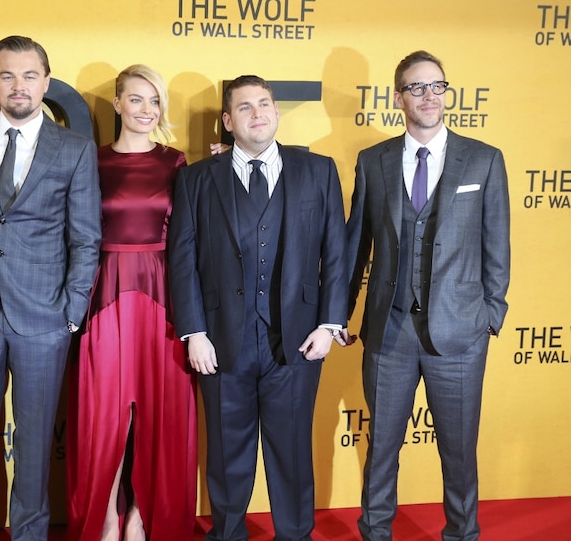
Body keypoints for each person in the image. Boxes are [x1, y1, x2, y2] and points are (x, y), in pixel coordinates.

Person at [168, 74, 348, 541]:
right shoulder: (195, 179)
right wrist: (194, 332)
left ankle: (296, 534)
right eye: (244, 107)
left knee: (291, 452)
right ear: (228, 121)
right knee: (228, 456)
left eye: (264, 104)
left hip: (298, 341)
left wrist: (329, 325)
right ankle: (227, 534)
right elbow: (182, 260)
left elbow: (337, 252)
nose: (257, 113)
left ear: (276, 112)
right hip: (220, 343)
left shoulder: (318, 171)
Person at [342, 50, 510, 541]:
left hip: (460, 336)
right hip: (388, 336)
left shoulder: (484, 159)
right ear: (399, 97)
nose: (429, 96)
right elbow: (356, 248)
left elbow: (496, 246)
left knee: (459, 452)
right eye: (417, 88)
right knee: (381, 451)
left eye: (438, 86)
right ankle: (375, 532)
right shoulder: (372, 161)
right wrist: (340, 315)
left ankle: (461, 534)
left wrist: (490, 317)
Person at [0, 35, 101, 541]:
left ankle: (31, 532)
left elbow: (85, 237)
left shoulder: (75, 149)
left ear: (46, 82)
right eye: (8, 75)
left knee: (34, 442)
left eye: (30, 76)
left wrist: (71, 314)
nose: (19, 86)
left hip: (44, 320)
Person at [67, 64, 197, 541]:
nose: (147, 110)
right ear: (117, 104)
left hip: (163, 293)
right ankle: (104, 516)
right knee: (105, 417)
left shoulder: (175, 161)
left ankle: (142, 517)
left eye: (155, 101)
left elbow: (188, 238)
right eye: (137, 99)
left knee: (161, 412)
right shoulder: (90, 160)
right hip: (103, 294)